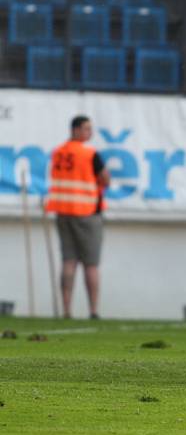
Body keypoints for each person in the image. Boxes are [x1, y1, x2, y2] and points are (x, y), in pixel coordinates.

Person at [46, 115, 110, 320]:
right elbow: (105, 178)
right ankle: (93, 310)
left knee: (69, 261)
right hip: (87, 213)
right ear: (75, 130)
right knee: (91, 263)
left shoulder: (58, 152)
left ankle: (66, 310)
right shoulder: (89, 153)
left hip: (62, 212)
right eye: (86, 129)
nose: (89, 133)